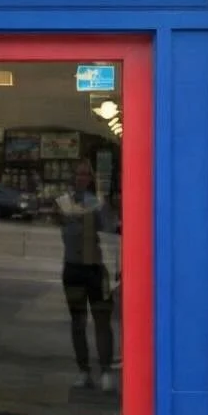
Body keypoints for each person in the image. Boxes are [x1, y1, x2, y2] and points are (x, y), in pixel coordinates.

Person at [56, 159, 116, 391]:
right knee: (78, 322)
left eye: (85, 175)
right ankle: (84, 370)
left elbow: (110, 232)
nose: (81, 178)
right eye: (78, 174)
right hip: (73, 267)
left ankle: (106, 370)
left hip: (95, 268)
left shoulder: (98, 204)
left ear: (90, 179)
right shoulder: (63, 203)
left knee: (102, 320)